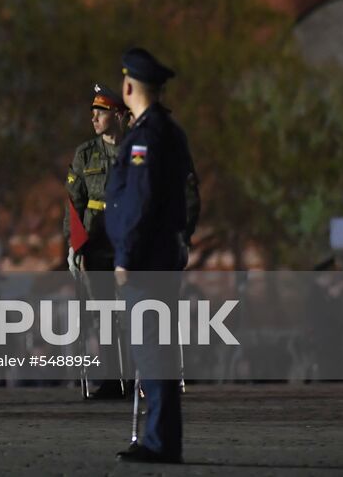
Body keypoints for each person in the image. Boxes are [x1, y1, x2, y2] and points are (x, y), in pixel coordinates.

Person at [106, 48, 193, 464]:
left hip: (146, 262)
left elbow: (139, 203)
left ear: (128, 87)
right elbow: (187, 195)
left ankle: (159, 441)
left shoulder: (145, 137)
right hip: (163, 256)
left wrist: (126, 256)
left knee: (151, 350)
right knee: (159, 349)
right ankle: (160, 437)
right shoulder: (170, 132)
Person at [65, 84, 129, 400]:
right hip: (96, 238)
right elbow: (74, 201)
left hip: (128, 236)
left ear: (118, 115)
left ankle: (133, 378)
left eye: (100, 113)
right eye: (92, 114)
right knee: (103, 311)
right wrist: (72, 245)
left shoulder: (136, 150)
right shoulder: (85, 153)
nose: (94, 119)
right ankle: (110, 379)